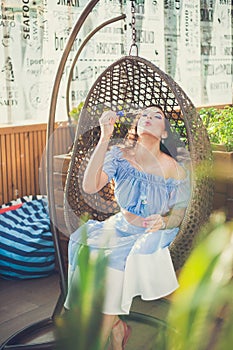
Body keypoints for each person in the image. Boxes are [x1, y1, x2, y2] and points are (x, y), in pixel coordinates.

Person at [64, 105, 191, 349]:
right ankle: (116, 327)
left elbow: (180, 213)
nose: (148, 118)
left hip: (152, 233)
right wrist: (104, 137)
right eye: (143, 115)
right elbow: (90, 186)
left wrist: (165, 221)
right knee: (83, 247)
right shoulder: (120, 155)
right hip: (119, 227)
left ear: (164, 133)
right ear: (135, 126)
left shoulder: (175, 169)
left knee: (110, 268)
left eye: (157, 116)